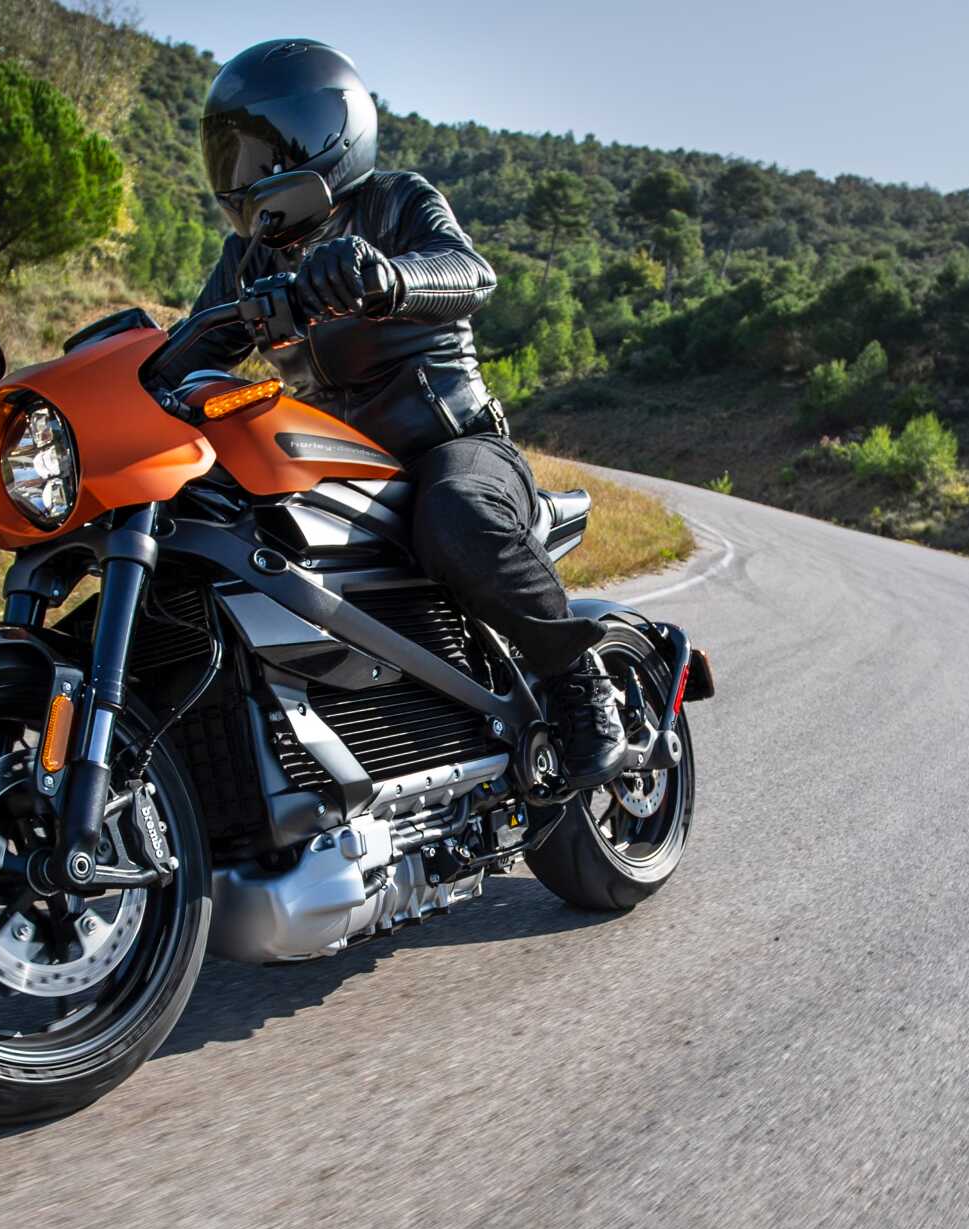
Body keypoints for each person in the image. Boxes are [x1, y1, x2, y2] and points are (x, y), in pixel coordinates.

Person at [164, 37, 628, 791]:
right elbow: (193, 347)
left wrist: (386, 278)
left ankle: (580, 682)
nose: (245, 172)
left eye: (264, 150)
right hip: (338, 467)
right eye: (233, 153)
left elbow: (470, 272)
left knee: (456, 514)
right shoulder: (247, 258)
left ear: (326, 133)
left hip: (451, 445)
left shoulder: (396, 200)